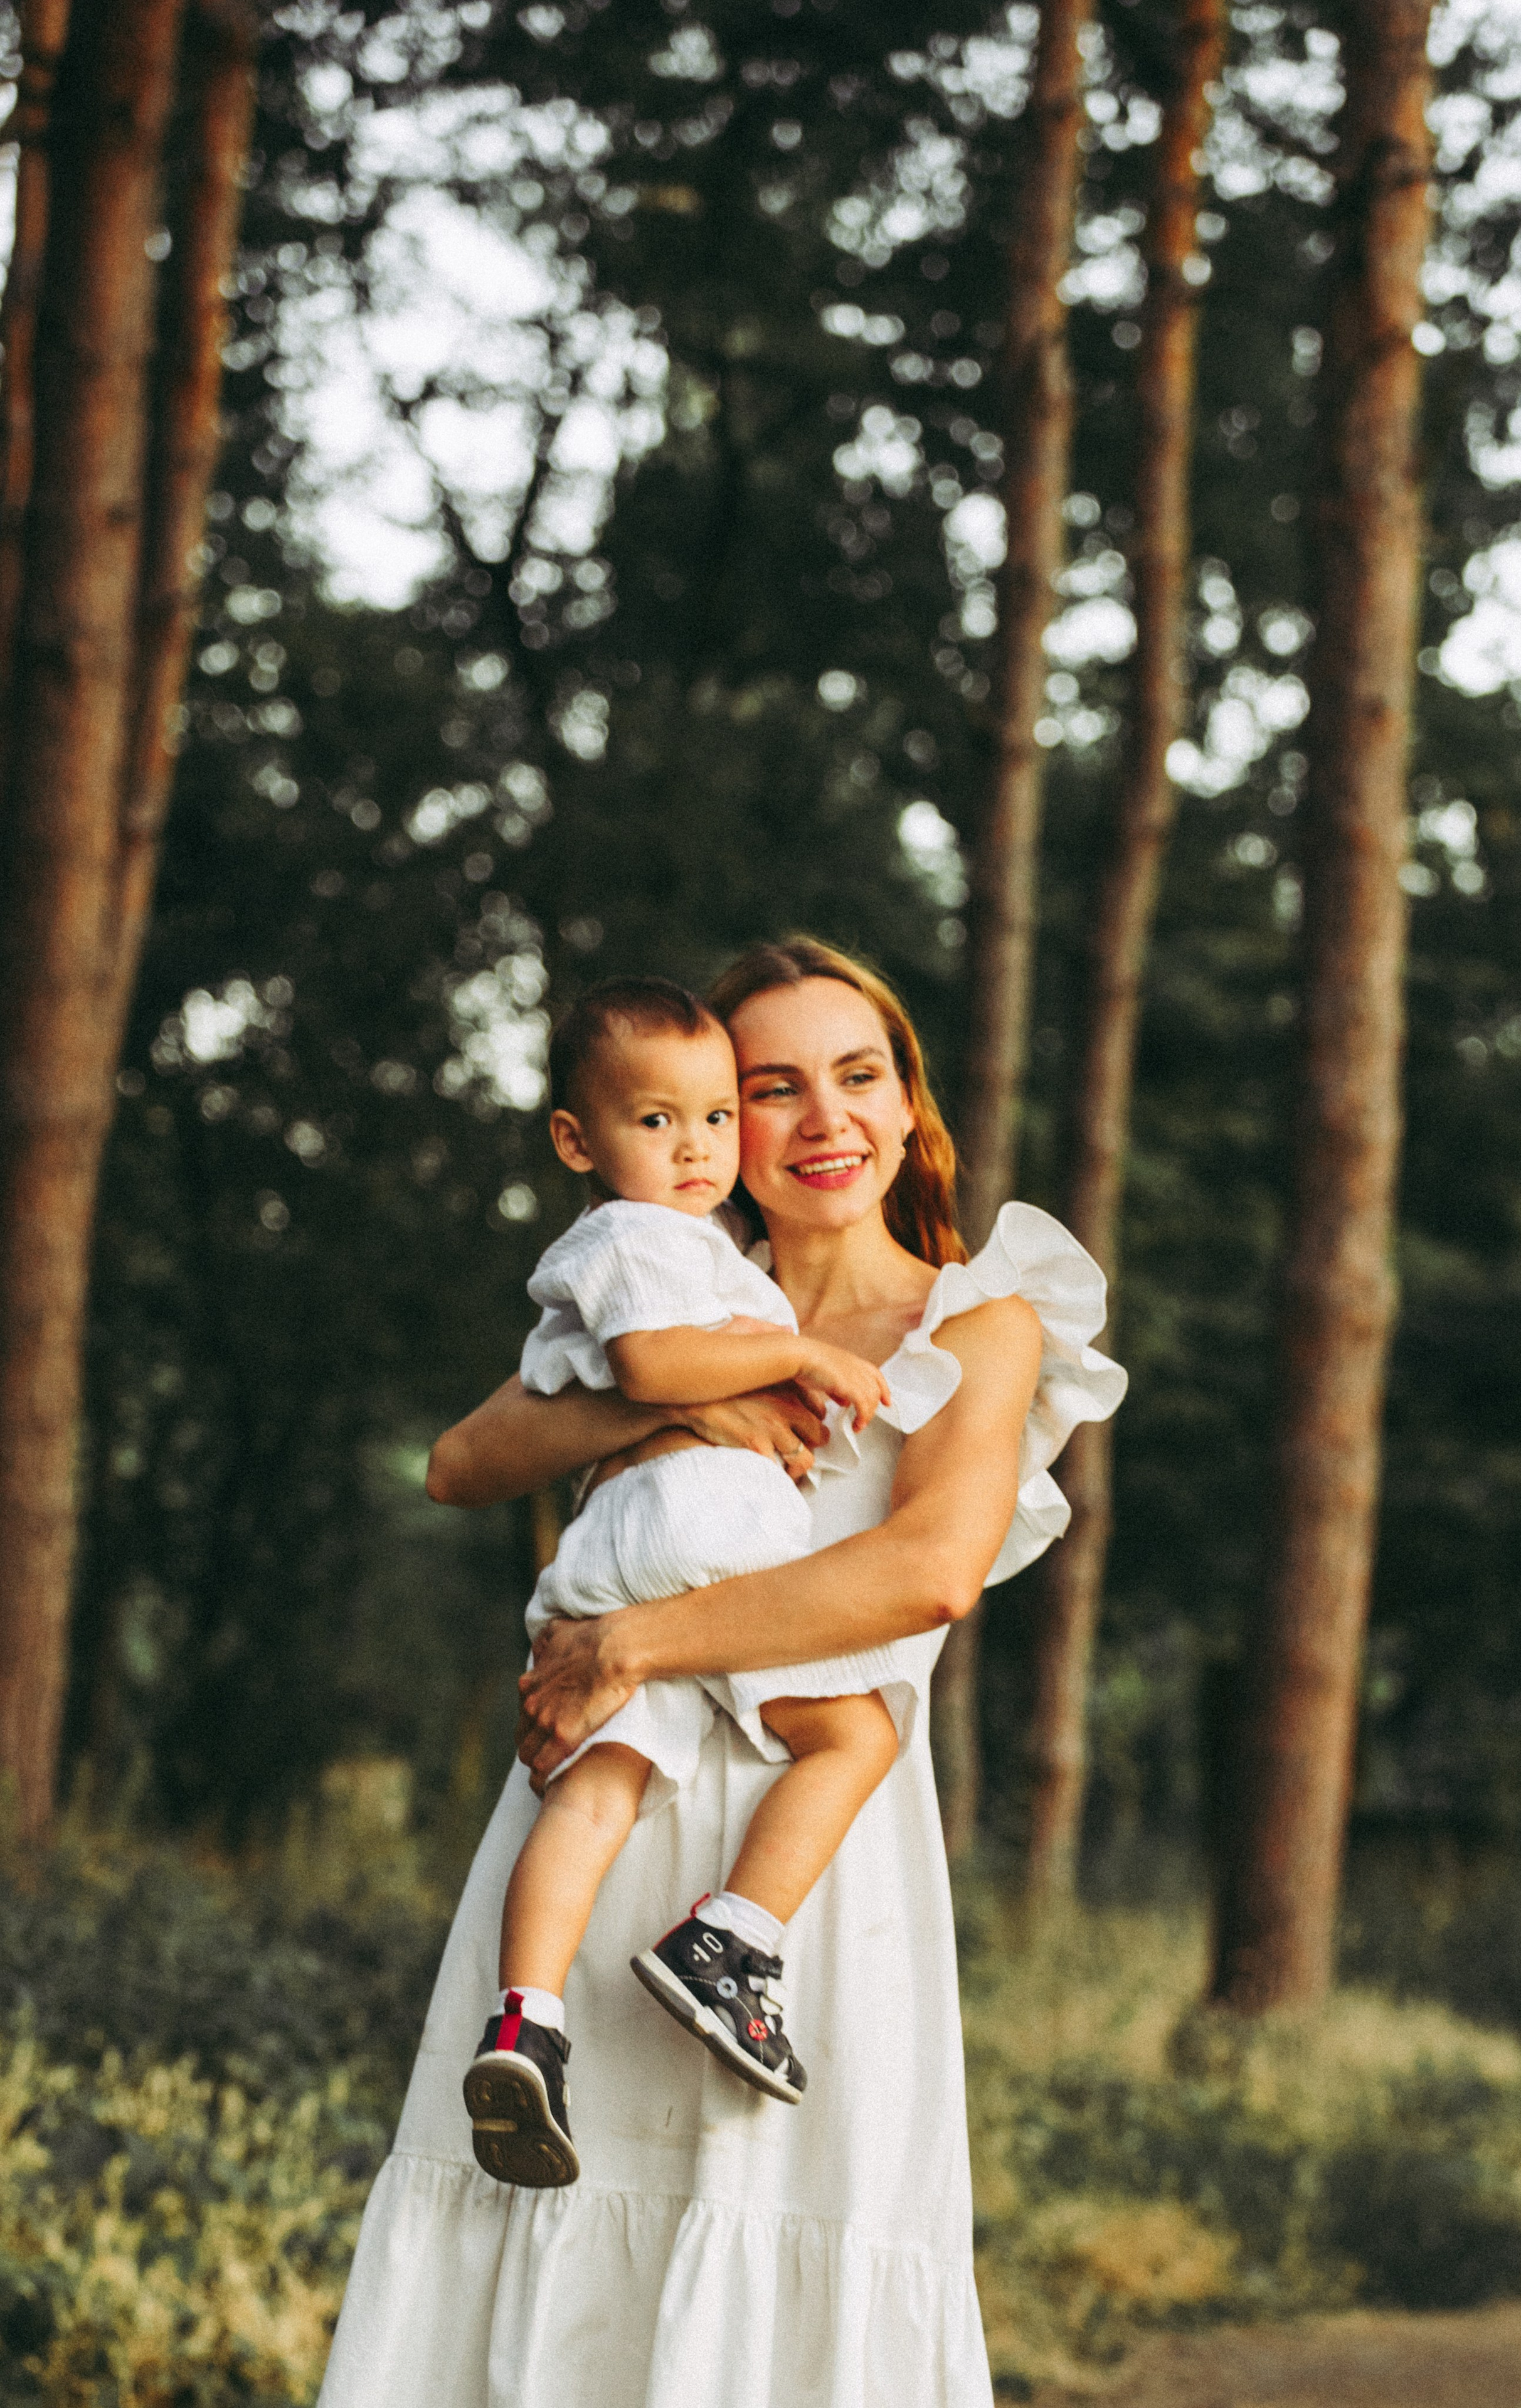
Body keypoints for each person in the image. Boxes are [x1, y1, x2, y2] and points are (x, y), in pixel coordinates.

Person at [318, 937, 1126, 2408]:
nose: (824, 1120)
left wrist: (634, 1638)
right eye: (771, 1088)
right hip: (604, 1825)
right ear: (701, 1116)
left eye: (859, 1076)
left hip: (796, 1878)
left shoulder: (975, 1319)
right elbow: (462, 1461)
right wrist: (684, 1390)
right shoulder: (663, 1295)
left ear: (908, 1103)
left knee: (787, 2240)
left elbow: (924, 1571)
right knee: (548, 2242)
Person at [467, 972, 908, 2186]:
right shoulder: (644, 1238)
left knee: (599, 1791)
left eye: (715, 1116)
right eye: (662, 1121)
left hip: (622, 1554)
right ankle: (733, 1939)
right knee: (855, 1737)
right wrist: (797, 1351)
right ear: (577, 1141)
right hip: (703, 1534)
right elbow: (645, 1366)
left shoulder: (676, 1243)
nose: (697, 1145)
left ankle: (527, 2024)